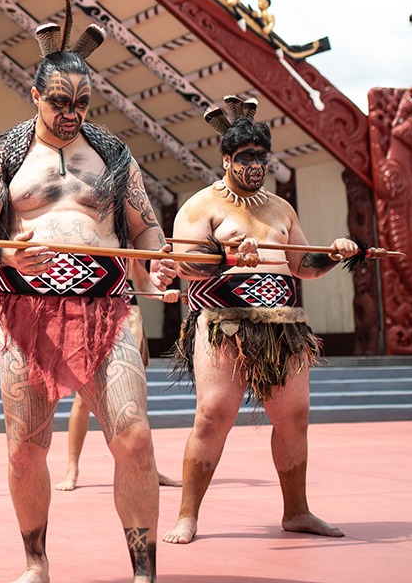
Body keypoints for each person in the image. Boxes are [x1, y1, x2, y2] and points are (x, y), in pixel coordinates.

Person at [0, 8, 179, 583]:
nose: (71, 113)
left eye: (81, 102)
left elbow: (145, 228)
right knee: (26, 448)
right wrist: (6, 251)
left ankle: (144, 571)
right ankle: (36, 561)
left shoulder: (115, 157)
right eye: (59, 102)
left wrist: (157, 264)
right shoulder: (1, 156)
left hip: (107, 304)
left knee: (134, 436)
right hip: (27, 309)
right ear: (34, 95)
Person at [161, 96, 357, 546]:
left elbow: (302, 264)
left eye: (261, 159)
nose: (255, 167)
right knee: (213, 414)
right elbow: (187, 267)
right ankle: (187, 515)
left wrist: (334, 254)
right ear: (227, 159)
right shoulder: (199, 206)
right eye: (246, 159)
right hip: (221, 322)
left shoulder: (281, 209)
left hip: (282, 324)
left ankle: (297, 511)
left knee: (295, 415)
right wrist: (227, 256)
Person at [55, 300, 179, 492]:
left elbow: (146, 283)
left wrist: (162, 293)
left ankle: (149, 467)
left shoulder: (133, 267)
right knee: (82, 399)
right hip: (91, 314)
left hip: (128, 317)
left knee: (136, 399)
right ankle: (72, 469)